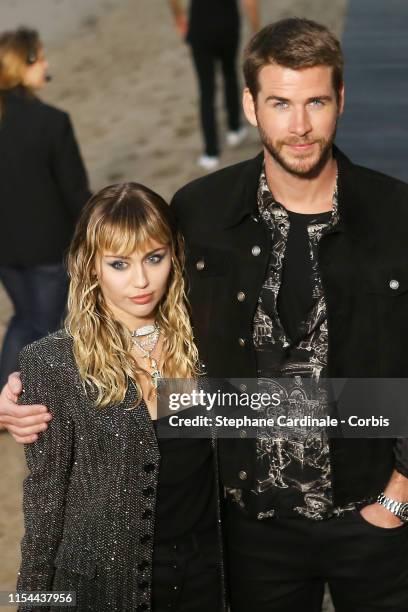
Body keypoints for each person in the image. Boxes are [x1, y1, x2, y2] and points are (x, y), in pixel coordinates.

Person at [3, 17, 408, 612]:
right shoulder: (201, 210)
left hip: (374, 516)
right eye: (280, 103)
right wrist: (35, 383)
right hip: (246, 534)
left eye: (316, 101)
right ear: (249, 104)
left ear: (341, 100)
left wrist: (399, 496)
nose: (299, 126)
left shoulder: (397, 214)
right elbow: (133, 303)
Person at [13, 183, 223, 611]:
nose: (141, 281)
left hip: (208, 579)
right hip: (103, 589)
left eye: (154, 258)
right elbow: (46, 499)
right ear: (91, 266)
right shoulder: (53, 363)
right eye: (119, 264)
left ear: (174, 255)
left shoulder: (206, 343)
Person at [0, 27, 91, 391]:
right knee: (49, 327)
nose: (47, 64)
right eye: (40, 56)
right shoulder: (52, 122)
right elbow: (75, 192)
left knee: (26, 318)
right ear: (25, 65)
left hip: (5, 250)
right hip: (47, 248)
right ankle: (37, 401)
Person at [168, 0, 259, 170]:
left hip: (200, 26)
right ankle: (234, 129)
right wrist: (256, 30)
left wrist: (179, 18)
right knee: (229, 73)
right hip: (228, 24)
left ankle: (210, 152)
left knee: (206, 89)